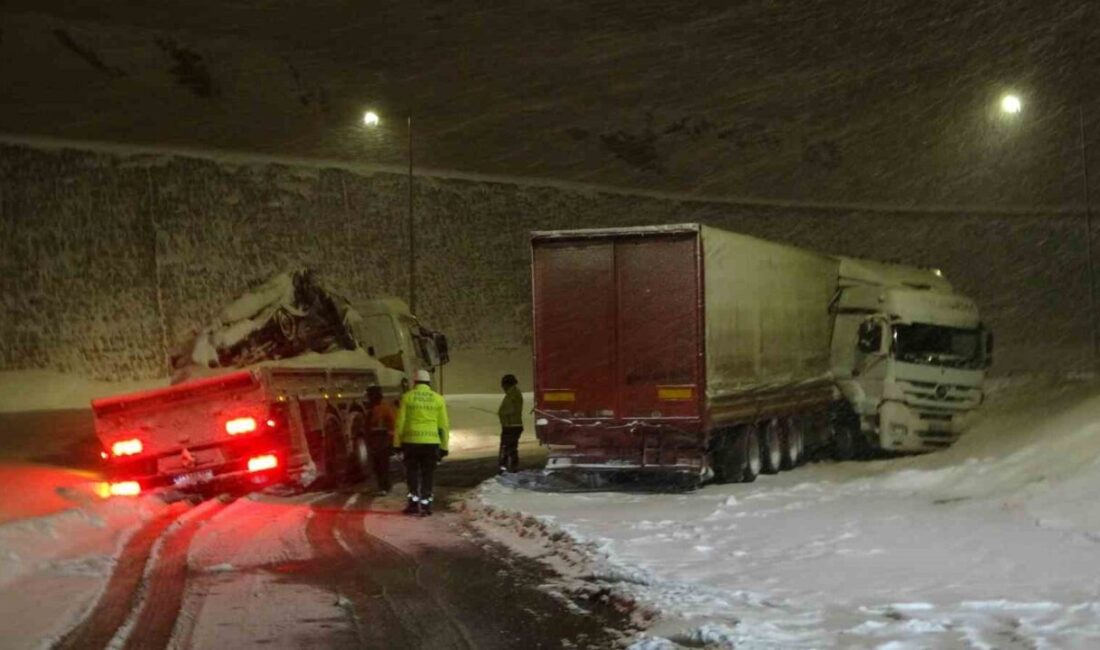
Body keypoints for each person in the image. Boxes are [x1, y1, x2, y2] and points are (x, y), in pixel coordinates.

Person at [394, 369, 450, 516]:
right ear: (428, 382)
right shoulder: (438, 399)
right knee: (428, 474)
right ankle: (426, 505)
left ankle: (413, 504)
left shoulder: (407, 397)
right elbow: (444, 425)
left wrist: (397, 444)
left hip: (411, 442)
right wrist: (444, 446)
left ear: (415, 382)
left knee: (411, 473)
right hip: (431, 443)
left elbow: (400, 423)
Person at [364, 384, 396, 495]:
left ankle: (385, 487)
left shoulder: (383, 408)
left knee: (382, 465)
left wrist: (390, 439)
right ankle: (382, 486)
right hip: (376, 440)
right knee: (377, 465)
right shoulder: (374, 408)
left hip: (382, 440)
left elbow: (392, 424)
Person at [497, 374, 524, 474]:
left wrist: (503, 413)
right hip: (511, 425)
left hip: (511, 425)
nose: (502, 387)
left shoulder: (513, 394)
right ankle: (511, 468)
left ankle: (507, 468)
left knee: (507, 447)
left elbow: (512, 409)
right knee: (511, 448)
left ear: (507, 384)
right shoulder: (512, 393)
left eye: (503, 385)